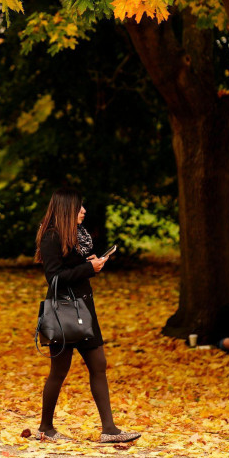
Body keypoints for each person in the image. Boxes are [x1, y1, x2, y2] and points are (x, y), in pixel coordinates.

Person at [35, 188, 140, 444]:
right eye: (79, 207)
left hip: (85, 309)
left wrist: (93, 264)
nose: (84, 211)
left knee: (98, 365)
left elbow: (77, 269)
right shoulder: (51, 237)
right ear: (66, 209)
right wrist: (87, 268)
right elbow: (55, 278)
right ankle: (45, 428)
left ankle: (109, 430)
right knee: (59, 371)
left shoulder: (78, 237)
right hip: (64, 310)